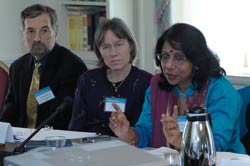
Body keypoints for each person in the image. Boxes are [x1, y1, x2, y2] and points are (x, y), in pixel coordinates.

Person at [109, 23, 246, 153]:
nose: (168, 65)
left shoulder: (220, 90)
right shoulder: (157, 86)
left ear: (196, 61)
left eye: (179, 58)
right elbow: (146, 132)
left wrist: (183, 142)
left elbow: (217, 144)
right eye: (165, 56)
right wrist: (129, 134)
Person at [0, 4, 87, 130]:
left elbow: (63, 119)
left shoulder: (72, 66)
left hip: (54, 142)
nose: (37, 38)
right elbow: (9, 115)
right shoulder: (17, 68)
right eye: (30, 31)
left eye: (44, 30)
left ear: (55, 33)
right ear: (22, 35)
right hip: (19, 141)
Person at [68, 18, 152, 136]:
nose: (113, 53)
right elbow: (75, 129)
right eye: (106, 47)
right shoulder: (87, 80)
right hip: (92, 150)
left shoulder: (147, 83)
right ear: (99, 51)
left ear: (131, 46)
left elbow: (149, 133)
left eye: (119, 44)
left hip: (131, 150)